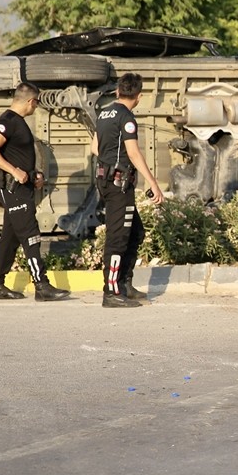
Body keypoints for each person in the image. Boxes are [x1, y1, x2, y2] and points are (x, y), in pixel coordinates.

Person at [0, 83, 71, 301]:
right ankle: (42, 286)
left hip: (23, 186)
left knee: (10, 238)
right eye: (37, 102)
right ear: (31, 101)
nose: (37, 107)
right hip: (14, 190)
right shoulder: (8, 121)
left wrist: (34, 175)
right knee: (31, 235)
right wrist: (14, 171)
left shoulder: (17, 122)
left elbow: (18, 157)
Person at [91, 73, 165, 308]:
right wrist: (152, 182)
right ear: (139, 96)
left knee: (135, 232)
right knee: (117, 238)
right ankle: (111, 291)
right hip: (118, 184)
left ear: (117, 92)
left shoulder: (104, 113)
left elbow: (95, 147)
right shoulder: (127, 117)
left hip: (106, 180)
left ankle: (124, 285)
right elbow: (133, 153)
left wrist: (110, 160)